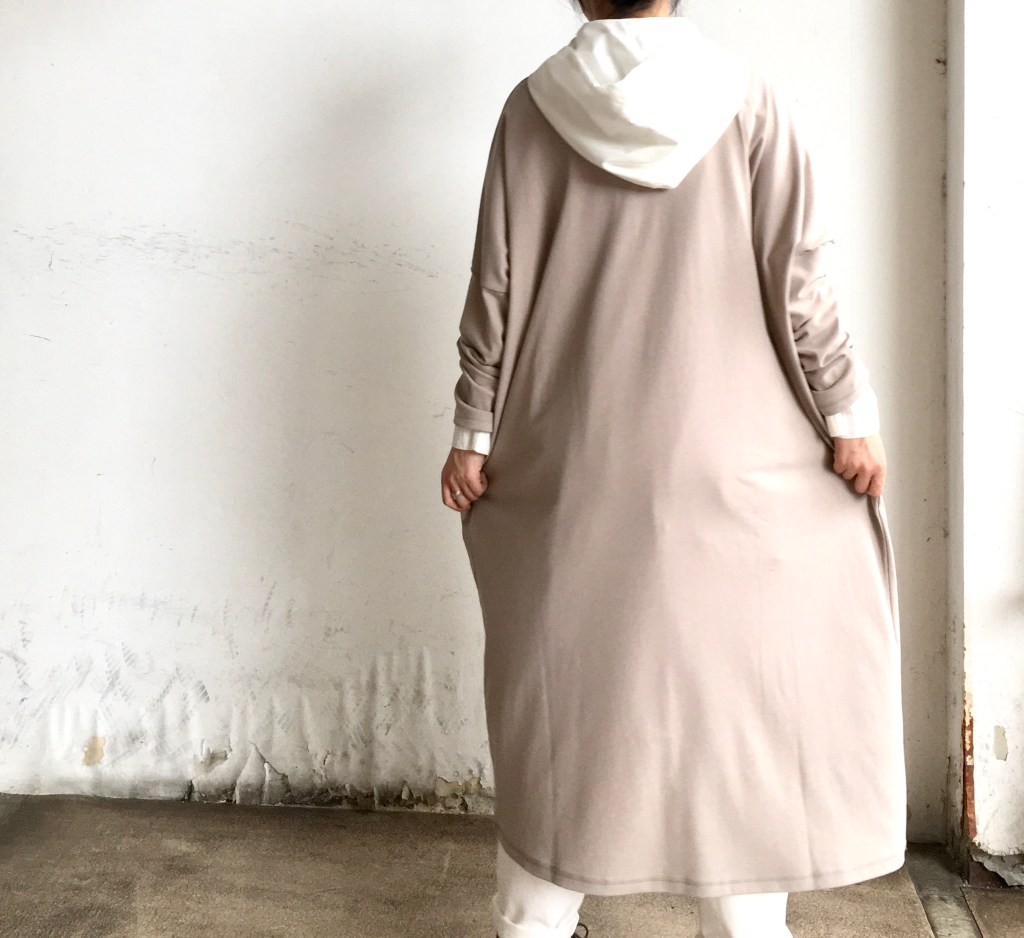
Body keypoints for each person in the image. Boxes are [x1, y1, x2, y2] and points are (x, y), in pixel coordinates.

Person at [439, 1, 907, 936]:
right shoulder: (749, 99)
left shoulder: (531, 108)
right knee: (738, 719)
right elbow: (800, 281)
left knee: (568, 719)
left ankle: (531, 921)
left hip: (576, 471)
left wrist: (474, 429)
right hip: (737, 473)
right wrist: (847, 415)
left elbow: (496, 281)